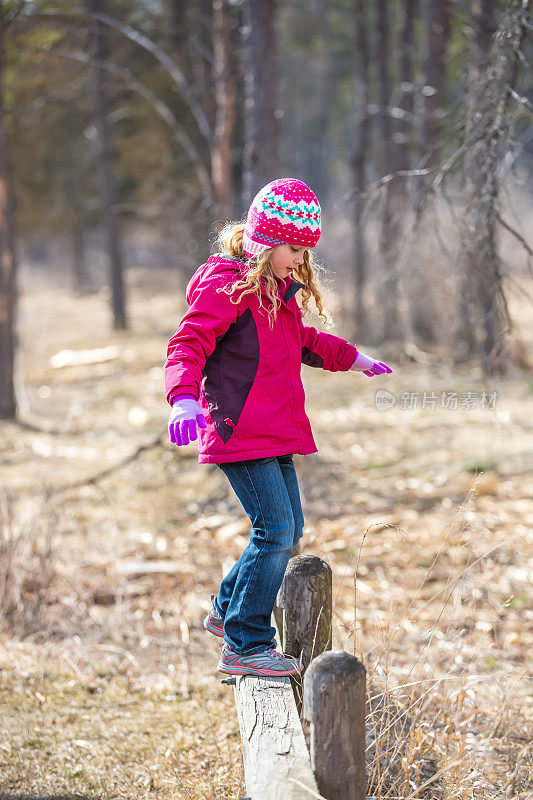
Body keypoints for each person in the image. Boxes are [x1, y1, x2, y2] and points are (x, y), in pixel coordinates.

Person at [164, 178, 393, 677]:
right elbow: (187, 344)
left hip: (273, 429)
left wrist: (353, 358)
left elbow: (302, 342)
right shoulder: (230, 287)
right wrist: (183, 399)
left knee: (289, 529)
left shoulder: (274, 291)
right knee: (276, 531)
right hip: (240, 429)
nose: (299, 260)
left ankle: (227, 610)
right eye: (293, 248)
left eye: (304, 250)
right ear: (266, 241)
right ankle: (246, 643)